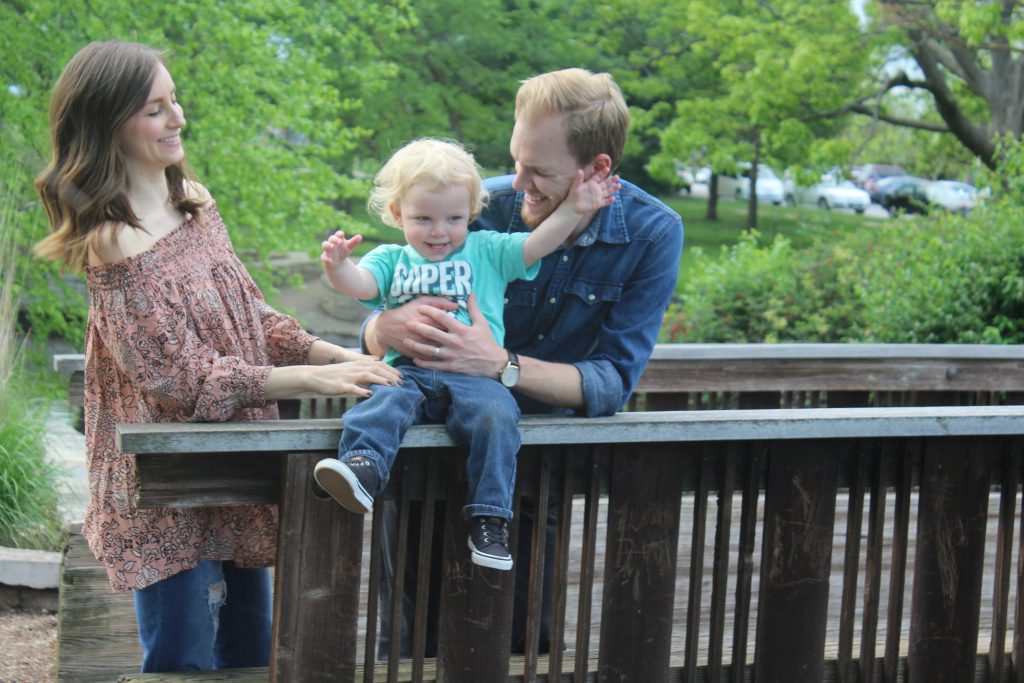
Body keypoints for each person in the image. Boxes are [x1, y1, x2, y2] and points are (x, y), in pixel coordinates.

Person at [32, 41, 400, 673]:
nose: (178, 118)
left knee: (255, 650)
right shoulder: (113, 242)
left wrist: (336, 351)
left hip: (240, 459)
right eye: (154, 108)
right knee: (182, 658)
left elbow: (250, 315)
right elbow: (177, 378)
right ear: (107, 122)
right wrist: (313, 377)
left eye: (174, 100)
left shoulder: (194, 201)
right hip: (169, 481)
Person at [363, 69, 684, 654]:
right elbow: (381, 310)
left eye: (539, 171)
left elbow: (612, 382)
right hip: (423, 456)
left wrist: (502, 365)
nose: (517, 182)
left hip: (533, 477)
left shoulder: (652, 233)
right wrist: (380, 326)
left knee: (518, 648)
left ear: (598, 169)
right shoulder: (472, 205)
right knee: (407, 650)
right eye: (516, 160)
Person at [312, 138, 618, 570]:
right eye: (423, 219)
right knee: (379, 401)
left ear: (471, 212)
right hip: (410, 372)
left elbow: (537, 244)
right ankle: (363, 467)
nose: (439, 231)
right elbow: (361, 285)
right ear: (397, 214)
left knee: (498, 418)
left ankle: (490, 519)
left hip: (474, 376)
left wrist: (575, 209)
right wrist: (338, 266)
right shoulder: (391, 258)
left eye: (454, 218)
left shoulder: (487, 250)